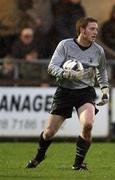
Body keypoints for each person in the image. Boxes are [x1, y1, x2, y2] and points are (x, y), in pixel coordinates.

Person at [26, 17, 109, 170]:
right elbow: (51, 67)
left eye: (96, 29)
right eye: (92, 29)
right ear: (82, 30)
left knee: (88, 124)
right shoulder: (65, 45)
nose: (95, 32)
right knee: (49, 133)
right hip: (64, 92)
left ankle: (78, 164)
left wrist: (104, 90)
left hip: (85, 92)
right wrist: (66, 74)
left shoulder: (98, 50)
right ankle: (40, 155)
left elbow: (102, 71)